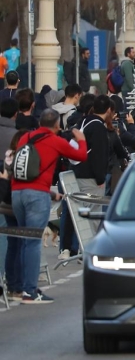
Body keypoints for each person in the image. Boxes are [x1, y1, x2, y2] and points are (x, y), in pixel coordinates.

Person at [9, 109, 87, 303]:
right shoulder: (56, 141)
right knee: (34, 242)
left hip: (17, 192)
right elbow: (81, 155)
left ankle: (16, 288)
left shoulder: (25, 137)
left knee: (22, 240)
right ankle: (30, 291)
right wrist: (81, 138)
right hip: (37, 195)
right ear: (57, 126)